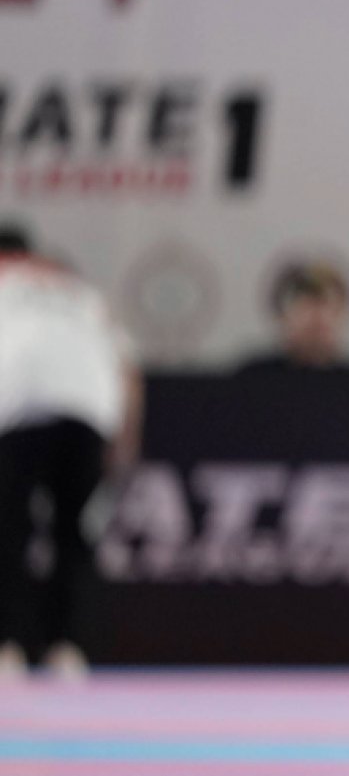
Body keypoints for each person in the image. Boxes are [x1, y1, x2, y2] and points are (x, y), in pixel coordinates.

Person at [0, 222, 143, 679]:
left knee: (9, 535)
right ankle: (67, 648)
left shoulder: (10, 281)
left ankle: (10, 647)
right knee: (73, 536)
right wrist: (124, 442)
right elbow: (127, 369)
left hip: (18, 411)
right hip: (87, 414)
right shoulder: (79, 291)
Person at [235, 260, 349, 377]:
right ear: (282, 315)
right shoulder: (251, 383)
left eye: (326, 305)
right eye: (306, 305)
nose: (317, 316)